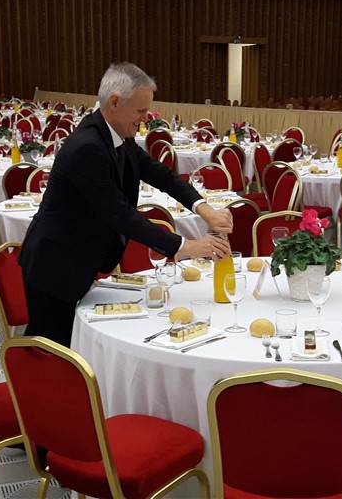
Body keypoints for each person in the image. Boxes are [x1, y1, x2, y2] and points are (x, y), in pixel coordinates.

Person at [19, 62, 232, 346]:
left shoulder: (115, 134)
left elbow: (160, 174)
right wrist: (185, 247)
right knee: (50, 351)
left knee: (69, 348)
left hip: (78, 259)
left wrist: (204, 209)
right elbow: (118, 214)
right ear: (116, 102)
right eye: (142, 111)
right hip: (55, 265)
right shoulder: (87, 147)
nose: (146, 118)